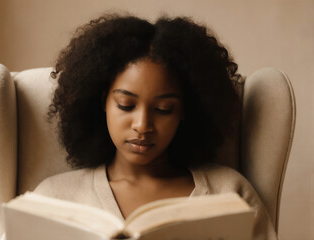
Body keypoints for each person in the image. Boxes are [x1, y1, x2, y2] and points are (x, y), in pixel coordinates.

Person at [34, 14, 278, 240]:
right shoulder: (54, 198)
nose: (142, 126)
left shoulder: (229, 194)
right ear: (103, 102)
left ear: (184, 111)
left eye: (163, 109)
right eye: (126, 105)